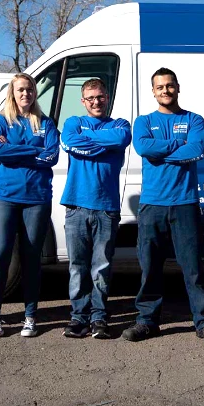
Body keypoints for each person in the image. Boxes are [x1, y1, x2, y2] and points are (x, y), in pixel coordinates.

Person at [122, 67, 204, 345]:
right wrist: (177, 144)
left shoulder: (195, 119)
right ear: (152, 91)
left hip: (185, 203)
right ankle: (146, 322)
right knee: (150, 267)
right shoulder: (143, 122)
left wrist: (163, 150)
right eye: (160, 87)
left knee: (193, 269)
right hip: (152, 205)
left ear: (177, 87)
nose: (165, 91)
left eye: (169, 86)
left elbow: (195, 150)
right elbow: (144, 149)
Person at [0, 73, 59, 337]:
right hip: (3, 197)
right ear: (12, 94)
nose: (25, 94)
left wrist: (16, 149)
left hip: (37, 198)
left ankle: (30, 316)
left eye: (29, 89)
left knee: (31, 260)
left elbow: (51, 156)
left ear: (34, 93)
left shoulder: (46, 122)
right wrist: (33, 150)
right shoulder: (0, 121)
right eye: (20, 90)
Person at [60, 78, 131, 339]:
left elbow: (121, 138)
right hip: (76, 206)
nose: (96, 102)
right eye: (90, 98)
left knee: (101, 267)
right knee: (77, 267)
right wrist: (104, 144)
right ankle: (78, 317)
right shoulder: (72, 123)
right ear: (83, 101)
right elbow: (68, 141)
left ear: (107, 96)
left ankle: (99, 317)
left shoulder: (120, 125)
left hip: (106, 207)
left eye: (100, 97)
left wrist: (87, 141)